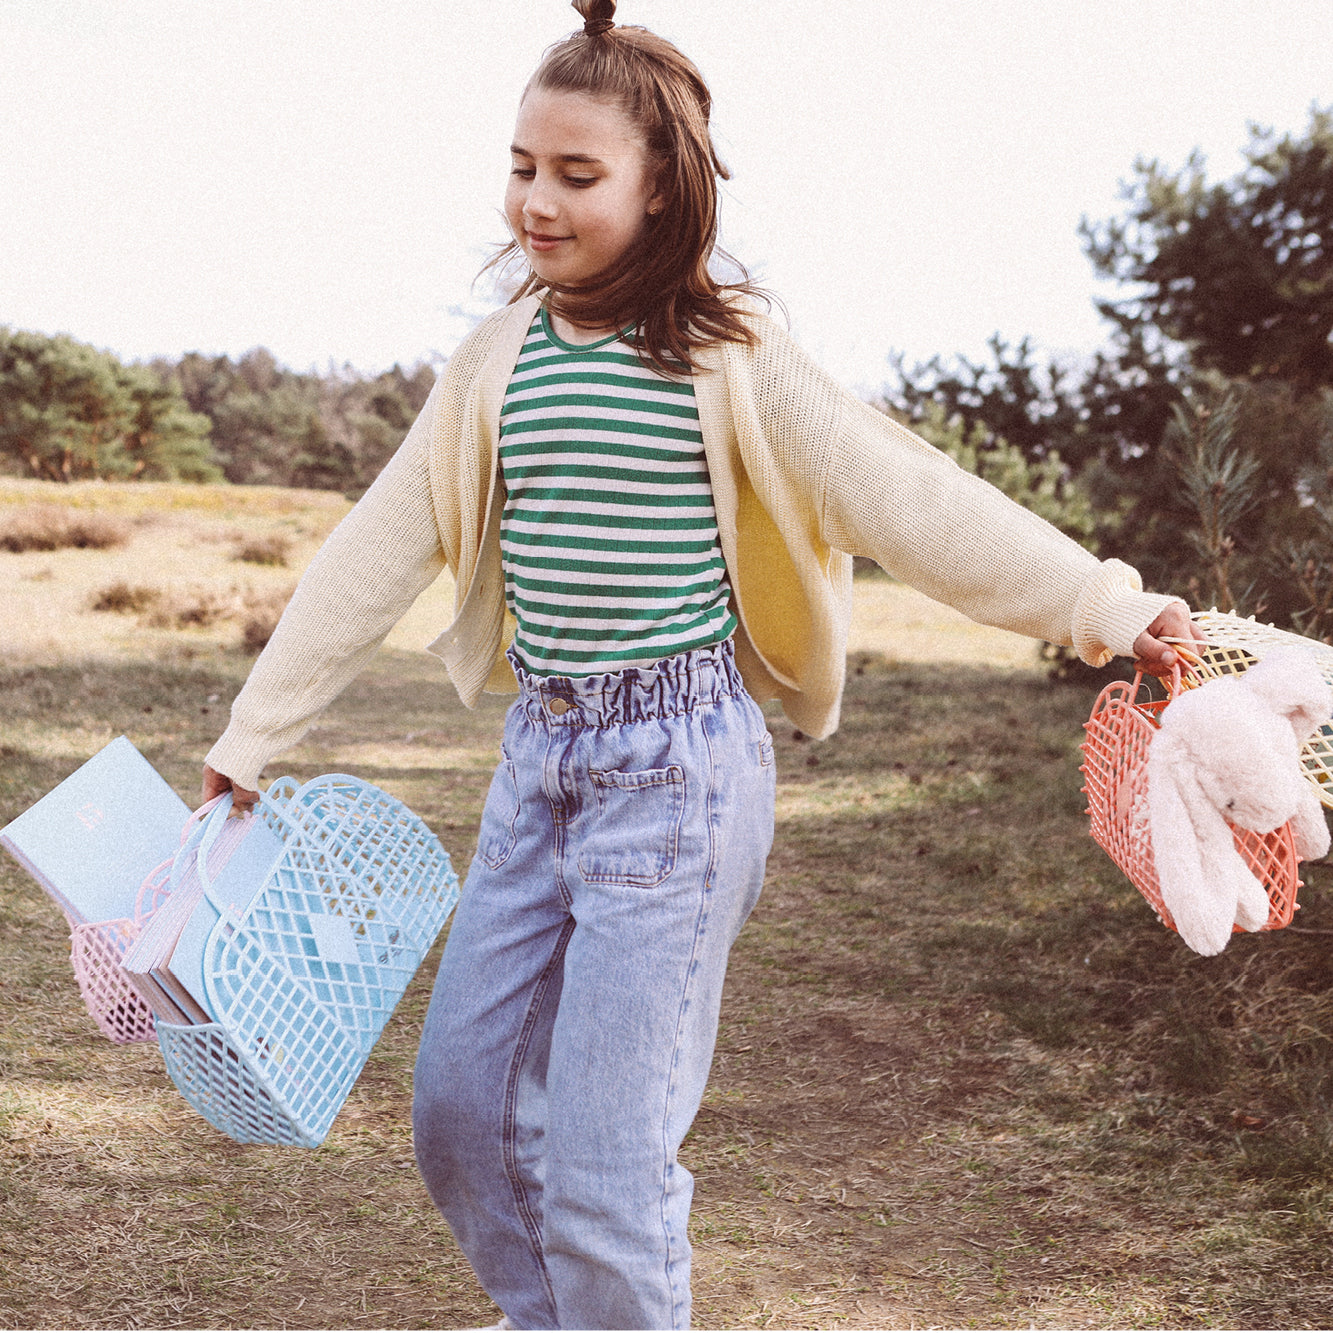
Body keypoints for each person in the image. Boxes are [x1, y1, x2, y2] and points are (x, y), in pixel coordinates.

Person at [202, 1, 1202, 1326]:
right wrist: (253, 737)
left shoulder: (728, 359)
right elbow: (373, 551)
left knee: (605, 1173)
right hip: (539, 764)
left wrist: (1103, 605)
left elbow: (912, 497)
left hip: (675, 775)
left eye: (577, 173)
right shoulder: (493, 363)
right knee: (458, 1118)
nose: (536, 202)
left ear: (659, 185)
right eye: (522, 166)